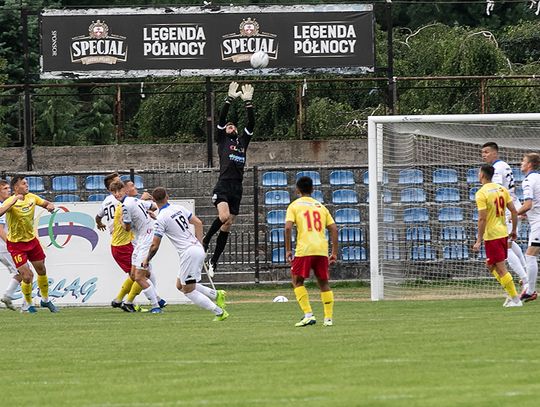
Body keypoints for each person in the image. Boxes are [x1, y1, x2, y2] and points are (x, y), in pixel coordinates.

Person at [144, 187, 228, 321]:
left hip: (189, 253)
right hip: (195, 249)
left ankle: (219, 312)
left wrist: (147, 259)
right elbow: (198, 223)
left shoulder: (161, 218)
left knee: (188, 290)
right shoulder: (178, 208)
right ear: (167, 197)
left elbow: (154, 245)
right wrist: (200, 244)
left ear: (154, 200)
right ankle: (216, 294)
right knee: (180, 285)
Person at [202, 81, 255, 276]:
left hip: (237, 188)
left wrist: (248, 103)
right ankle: (205, 240)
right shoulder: (222, 140)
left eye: (233, 126)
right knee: (223, 217)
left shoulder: (242, 142)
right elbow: (222, 118)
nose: (230, 126)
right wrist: (229, 100)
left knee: (228, 224)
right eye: (228, 126)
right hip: (223, 185)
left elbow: (251, 124)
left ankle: (214, 262)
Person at [285, 176, 338, 327]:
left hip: (305, 249)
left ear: (297, 189)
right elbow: (334, 228)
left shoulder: (294, 206)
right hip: (321, 249)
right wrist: (334, 252)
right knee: (324, 283)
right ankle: (328, 319)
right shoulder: (320, 206)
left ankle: (308, 315)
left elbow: (288, 227)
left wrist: (288, 249)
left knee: (297, 281)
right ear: (312, 189)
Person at [0, 175, 58, 313]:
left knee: (41, 270)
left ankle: (45, 300)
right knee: (26, 275)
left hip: (31, 241)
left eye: (27, 183)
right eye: (24, 184)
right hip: (16, 244)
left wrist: (50, 206)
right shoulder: (9, 201)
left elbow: (47, 203)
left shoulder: (32, 197)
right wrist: (14, 200)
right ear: (16, 187)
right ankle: (28, 305)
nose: (27, 185)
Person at [109, 180, 165, 313]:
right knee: (134, 275)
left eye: (119, 191)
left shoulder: (125, 207)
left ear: (124, 190)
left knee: (140, 276)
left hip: (146, 238)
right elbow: (153, 206)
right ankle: (152, 301)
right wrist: (148, 214)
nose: (117, 194)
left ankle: (156, 306)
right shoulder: (135, 201)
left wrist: (121, 221)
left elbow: (127, 229)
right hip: (142, 238)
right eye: (114, 192)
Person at [472, 164, 522, 307]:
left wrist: (478, 240)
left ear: (482, 175)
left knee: (500, 267)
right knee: (490, 264)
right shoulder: (502, 189)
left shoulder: (481, 193)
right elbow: (513, 211)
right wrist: (513, 230)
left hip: (492, 235)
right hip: (503, 232)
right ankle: (510, 292)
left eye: (478, 172)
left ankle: (515, 299)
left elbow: (482, 218)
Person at [481, 142, 529, 290]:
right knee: (511, 245)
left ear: (495, 152)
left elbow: (495, 192)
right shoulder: (504, 165)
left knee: (506, 249)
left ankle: (526, 282)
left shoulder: (496, 169)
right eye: (482, 152)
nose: (484, 155)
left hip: (507, 210)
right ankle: (527, 276)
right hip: (513, 205)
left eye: (487, 152)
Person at [95, 173, 144, 311]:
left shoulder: (106, 201)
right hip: (126, 241)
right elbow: (128, 223)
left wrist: (99, 223)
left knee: (140, 273)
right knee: (142, 273)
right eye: (118, 182)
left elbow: (98, 216)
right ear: (112, 187)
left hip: (120, 240)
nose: (122, 183)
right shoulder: (122, 201)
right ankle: (135, 301)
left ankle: (120, 300)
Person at [517, 153, 540, 302]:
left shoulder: (527, 181)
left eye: (523, 161)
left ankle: (530, 291)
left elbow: (528, 204)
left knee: (530, 255)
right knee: (531, 255)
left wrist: (513, 214)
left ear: (529, 165)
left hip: (539, 223)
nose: (521, 163)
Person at [0, 179, 26, 311]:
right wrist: (10, 245)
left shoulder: (6, 204)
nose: (8, 190)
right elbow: (0, 230)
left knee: (23, 272)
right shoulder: (2, 207)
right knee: (25, 272)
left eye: (8, 188)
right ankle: (26, 305)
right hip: (3, 246)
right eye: (4, 189)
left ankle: (8, 296)